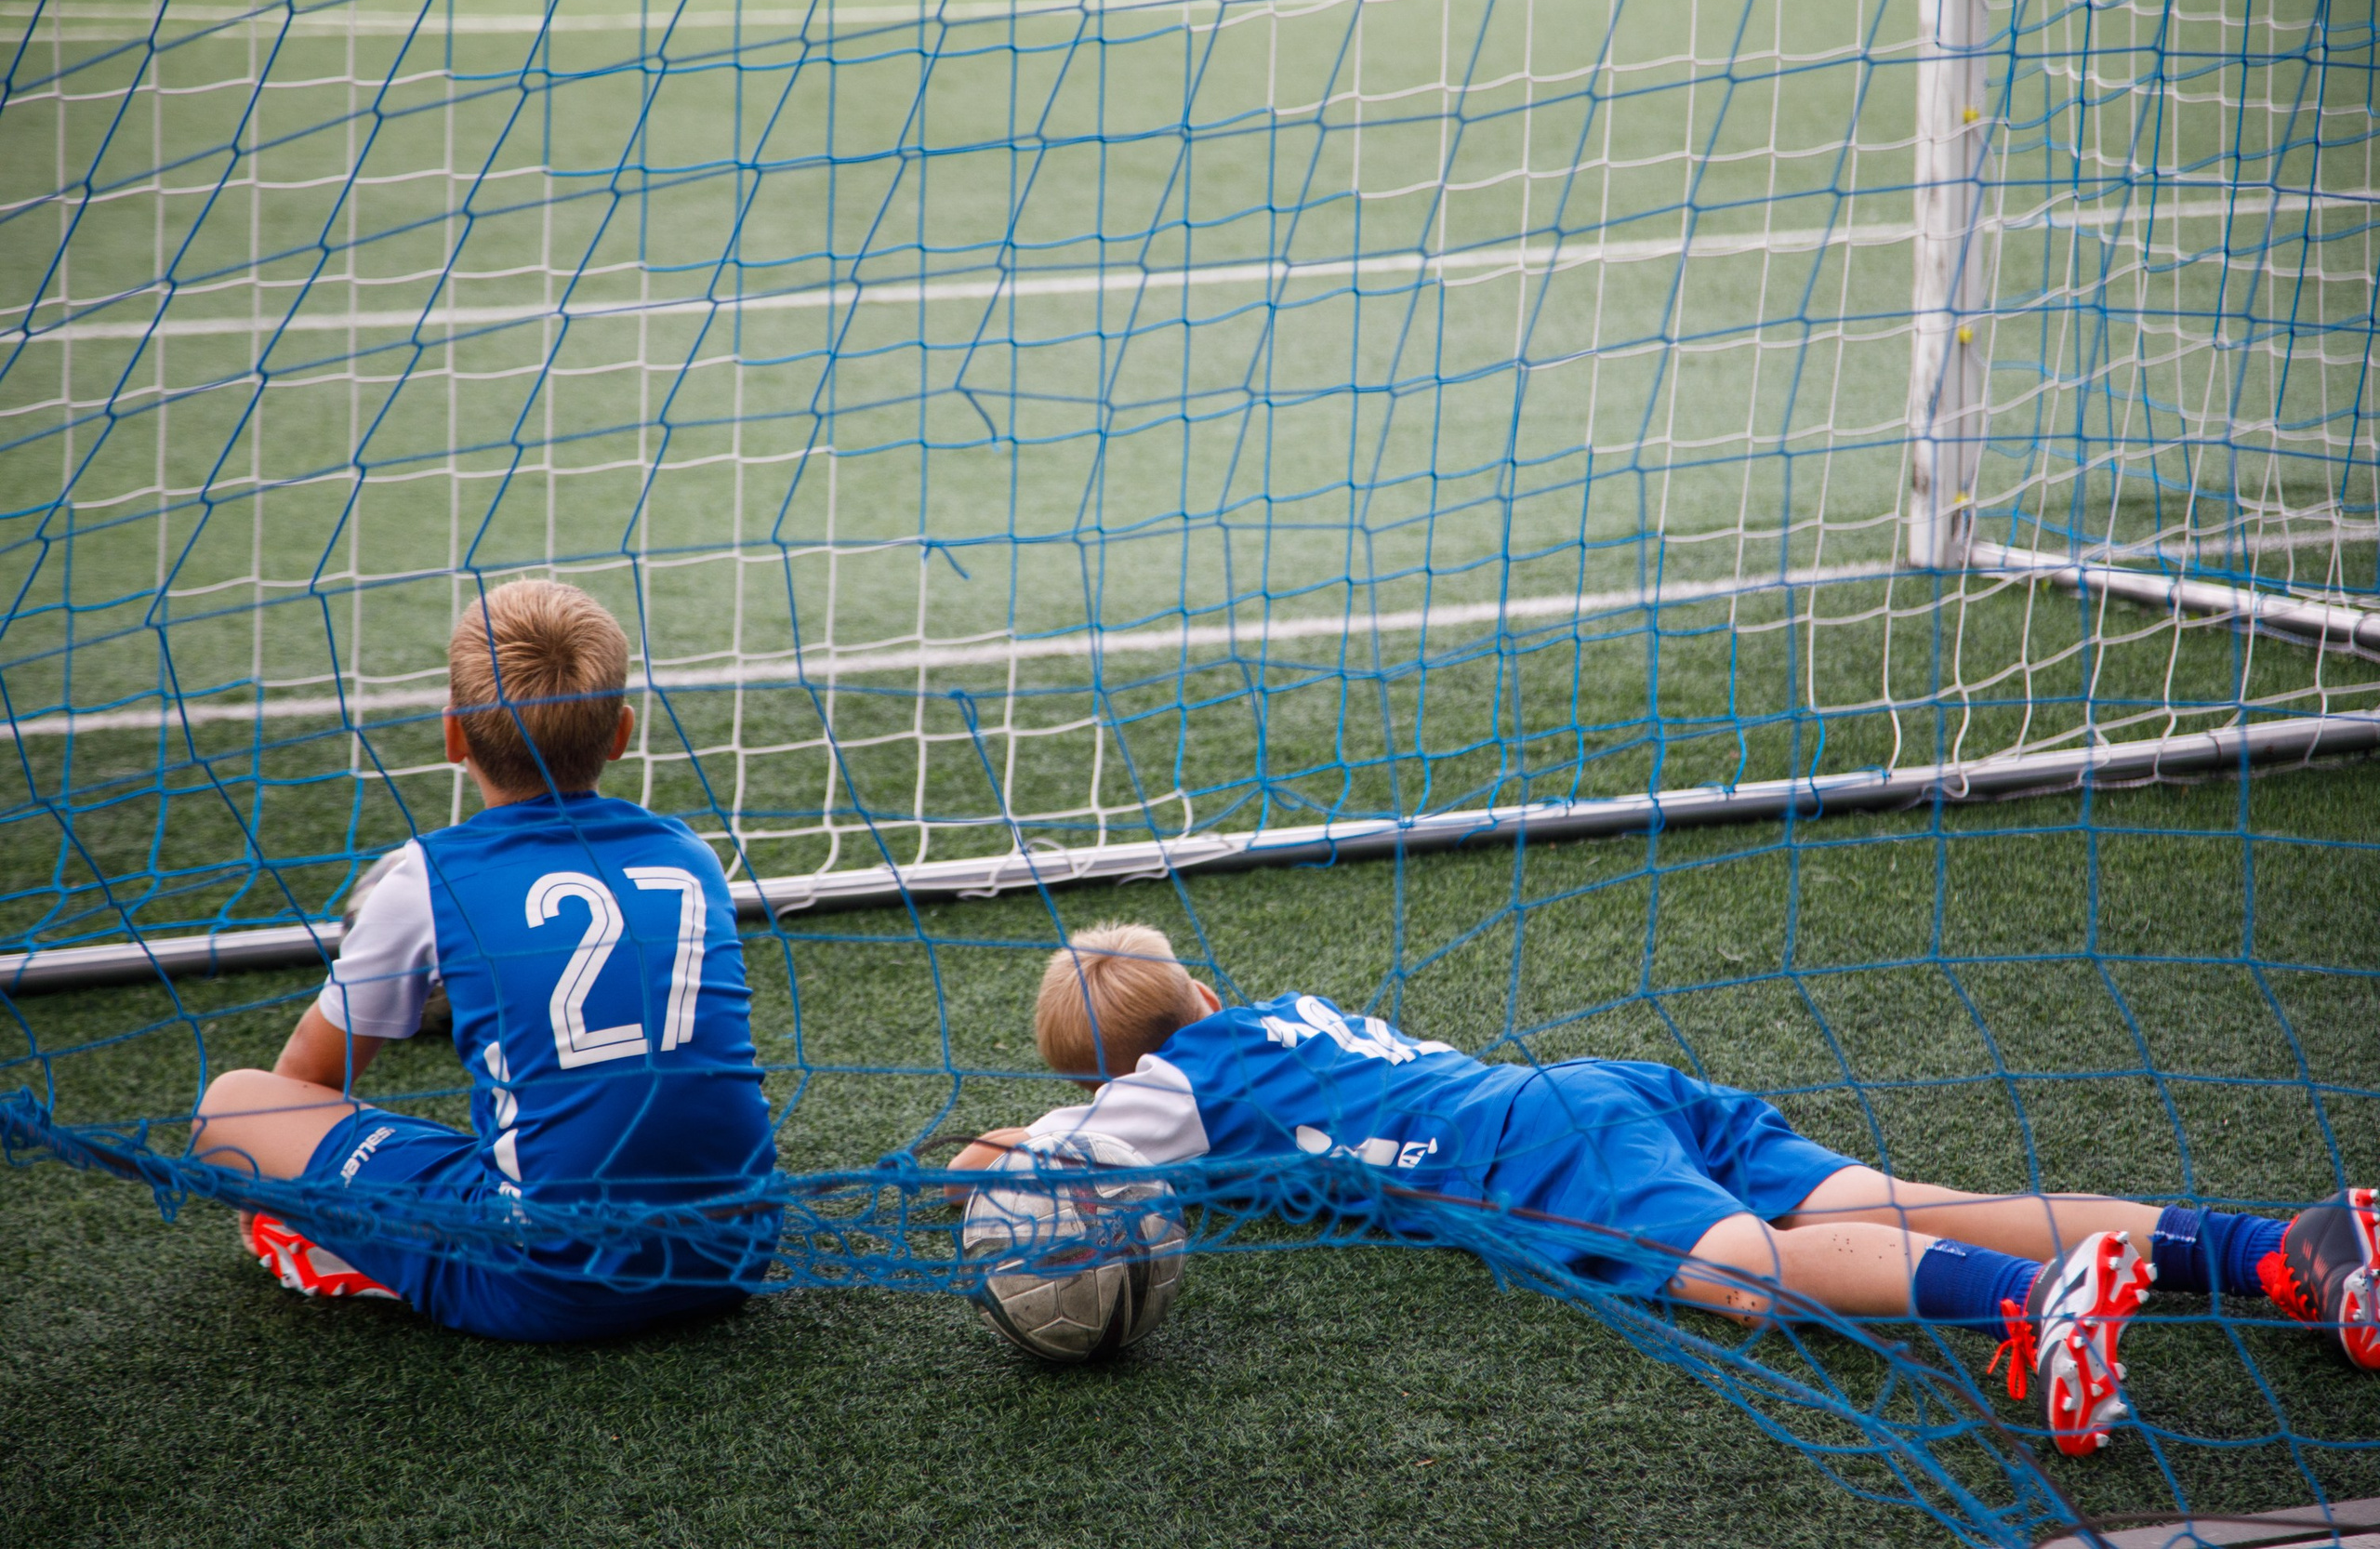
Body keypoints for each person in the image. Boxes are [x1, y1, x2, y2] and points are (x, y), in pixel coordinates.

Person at [949, 922, 2379, 1455]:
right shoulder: (1291, 1016)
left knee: (1741, 1269)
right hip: (1606, 1083)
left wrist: (988, 1155)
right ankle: (2282, 1248)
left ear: (1112, 1071)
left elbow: (1067, 1156)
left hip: (1530, 1145)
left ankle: (2030, 1303)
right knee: (1890, 1197)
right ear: (1207, 982)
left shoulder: (1174, 1082)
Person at [192, 579, 778, 1342]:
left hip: (547, 1282)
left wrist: (280, 1179)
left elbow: (306, 1077)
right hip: (735, 1253)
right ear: (621, 732)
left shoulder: (428, 876)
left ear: (452, 735)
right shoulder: (690, 855)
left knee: (234, 1105)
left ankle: (343, 1244)